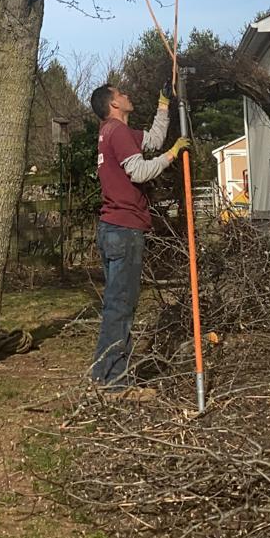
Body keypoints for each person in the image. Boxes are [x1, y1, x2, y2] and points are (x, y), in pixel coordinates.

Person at [89, 81, 189, 392]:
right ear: (113, 105)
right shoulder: (116, 132)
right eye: (121, 93)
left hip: (113, 228)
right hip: (124, 228)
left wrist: (163, 105)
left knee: (116, 306)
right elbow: (140, 172)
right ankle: (115, 383)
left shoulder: (116, 133)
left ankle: (103, 375)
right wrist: (173, 155)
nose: (127, 94)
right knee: (121, 306)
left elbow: (153, 140)